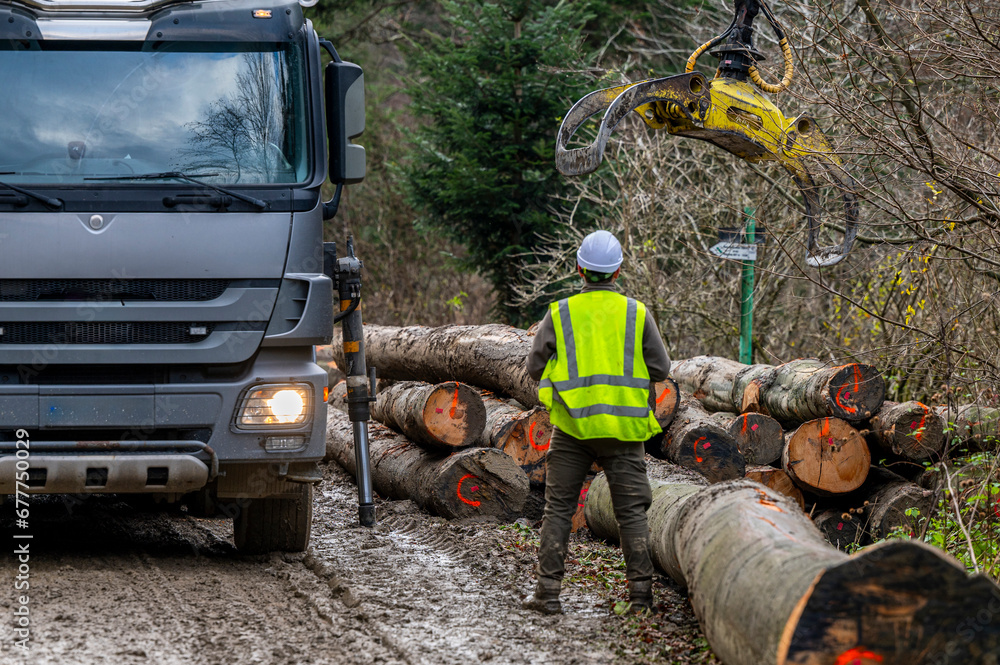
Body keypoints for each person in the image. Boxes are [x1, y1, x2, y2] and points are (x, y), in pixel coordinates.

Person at [522, 229, 670, 615]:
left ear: (579, 269)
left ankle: (548, 594)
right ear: (619, 270)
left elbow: (534, 367)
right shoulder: (637, 314)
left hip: (572, 429)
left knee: (557, 510)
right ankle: (640, 598)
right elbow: (661, 368)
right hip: (623, 431)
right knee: (631, 513)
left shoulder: (560, 313)